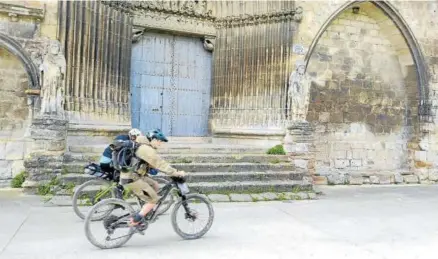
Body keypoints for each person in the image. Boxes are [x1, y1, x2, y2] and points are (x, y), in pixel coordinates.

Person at [117, 129, 186, 227]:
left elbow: (154, 164)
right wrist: (175, 173)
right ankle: (135, 221)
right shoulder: (146, 149)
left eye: (161, 142)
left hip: (133, 176)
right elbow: (159, 163)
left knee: (155, 185)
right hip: (131, 179)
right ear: (152, 139)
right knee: (154, 199)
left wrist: (171, 171)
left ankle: (146, 210)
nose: (160, 143)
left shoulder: (143, 146)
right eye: (159, 141)